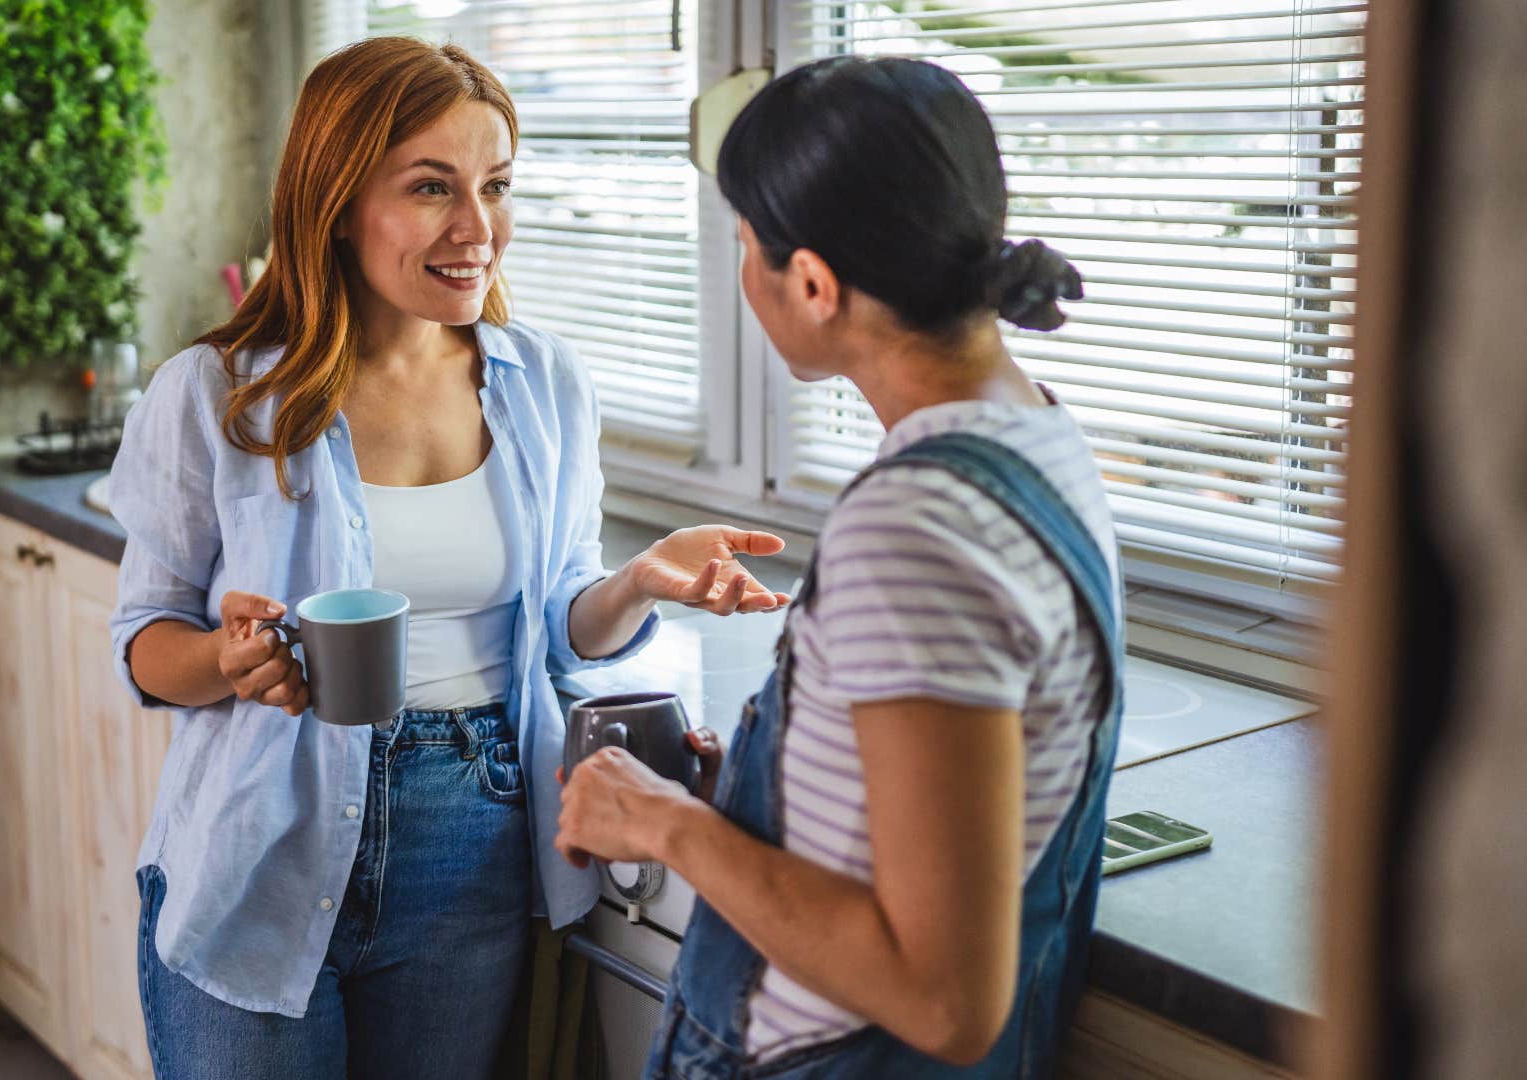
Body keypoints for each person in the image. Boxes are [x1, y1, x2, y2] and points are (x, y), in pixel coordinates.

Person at [107, 36, 789, 1080]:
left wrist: (639, 581)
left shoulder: (543, 384)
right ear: (336, 201)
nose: (478, 229)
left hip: (474, 842)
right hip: (260, 847)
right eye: (432, 188)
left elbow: (560, 623)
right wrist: (225, 660)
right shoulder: (217, 395)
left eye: (496, 186)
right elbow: (146, 640)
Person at [556, 56, 1120, 1078]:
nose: (741, 275)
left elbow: (942, 999)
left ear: (813, 284)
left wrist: (668, 823)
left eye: (744, 247)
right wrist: (778, 795)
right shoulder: (1037, 436)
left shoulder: (915, 527)